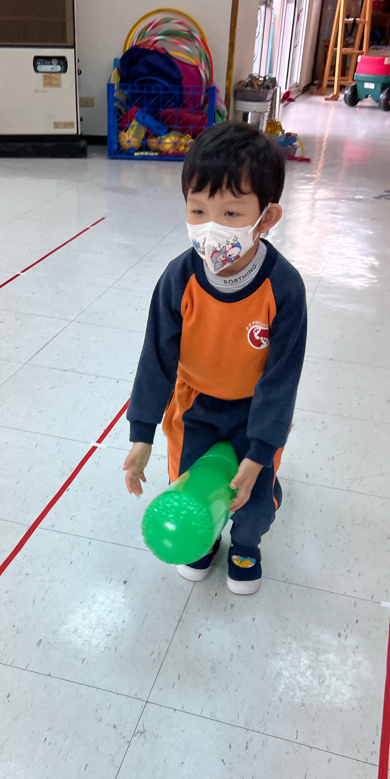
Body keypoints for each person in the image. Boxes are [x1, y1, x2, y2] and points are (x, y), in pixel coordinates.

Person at [123, 121, 307, 595]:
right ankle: (204, 540)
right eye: (198, 210)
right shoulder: (178, 278)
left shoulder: (284, 288)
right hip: (194, 405)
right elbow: (156, 358)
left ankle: (245, 545)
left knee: (251, 498)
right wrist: (142, 433)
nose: (211, 226)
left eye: (230, 212)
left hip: (255, 411)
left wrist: (260, 452)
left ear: (266, 217)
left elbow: (282, 378)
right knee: (191, 486)